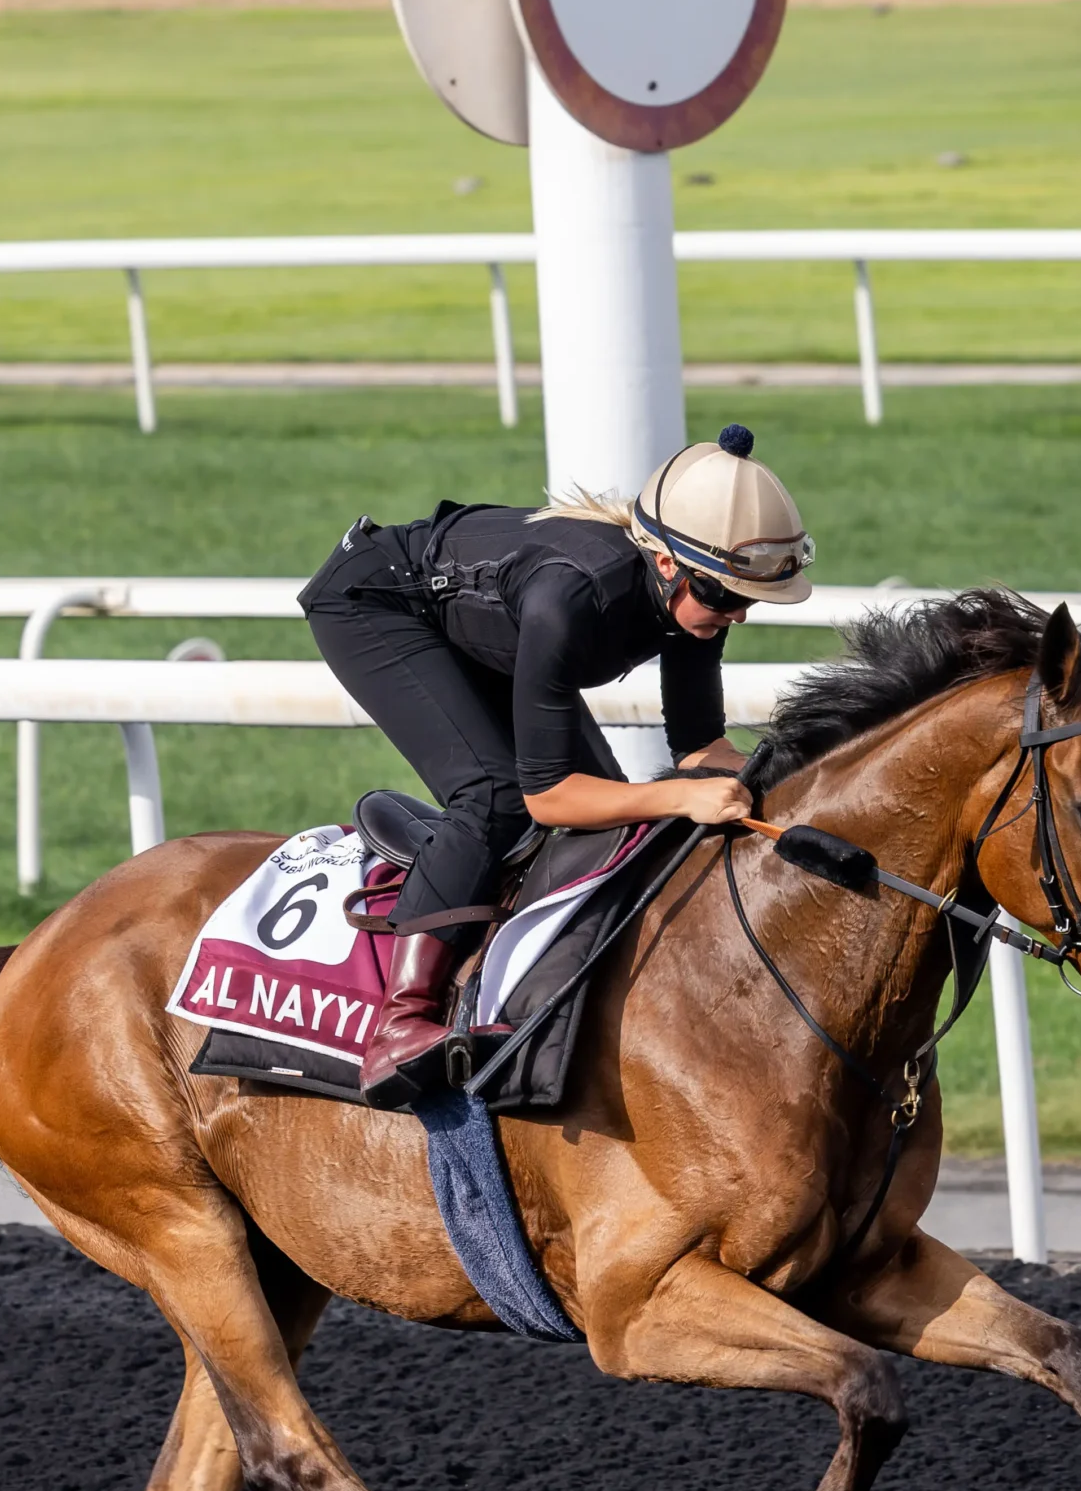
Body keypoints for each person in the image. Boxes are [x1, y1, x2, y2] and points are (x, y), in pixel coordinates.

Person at [299, 423, 815, 1105]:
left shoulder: (698, 602)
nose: (737, 614)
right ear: (665, 563)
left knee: (606, 822)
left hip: (477, 626)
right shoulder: (575, 598)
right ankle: (400, 1025)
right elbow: (548, 798)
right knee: (495, 795)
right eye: (724, 596)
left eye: (748, 599)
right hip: (377, 604)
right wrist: (679, 800)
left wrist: (786, 795)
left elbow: (699, 750)